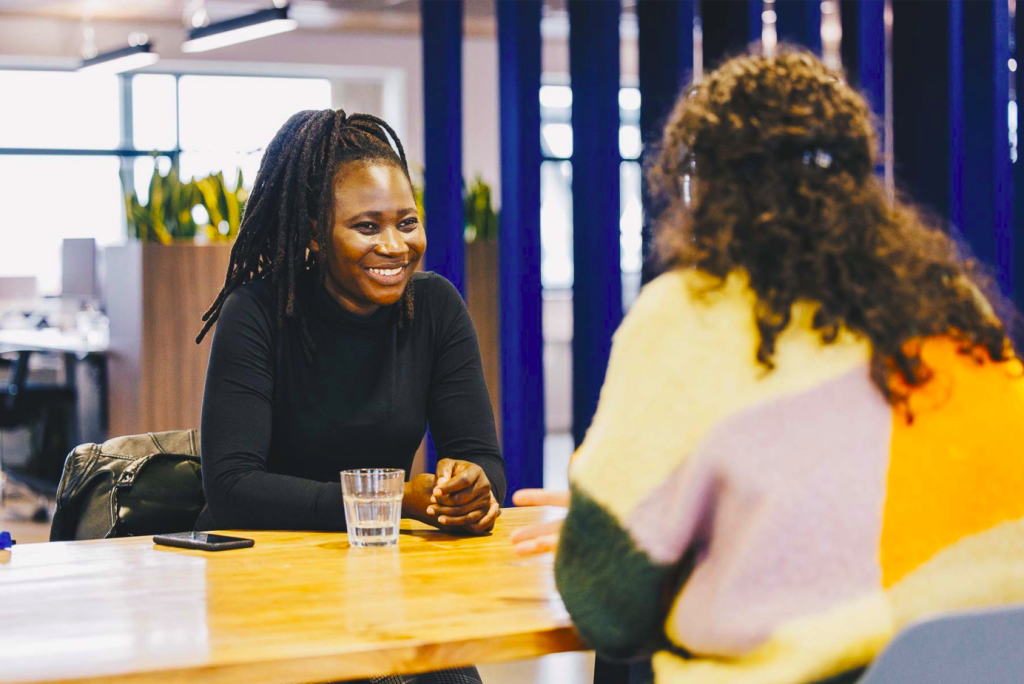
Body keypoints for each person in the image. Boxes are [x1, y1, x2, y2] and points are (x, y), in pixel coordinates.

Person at [513, 49, 1024, 684]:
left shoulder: (692, 312)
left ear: (707, 187)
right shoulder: (950, 300)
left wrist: (623, 530)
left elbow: (606, 606)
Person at [196, 110, 504, 684]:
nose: (395, 246)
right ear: (316, 231)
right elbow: (234, 488)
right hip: (263, 580)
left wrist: (467, 489)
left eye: (407, 223)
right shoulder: (258, 312)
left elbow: (483, 460)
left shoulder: (435, 308)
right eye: (367, 227)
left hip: (380, 580)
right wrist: (395, 500)